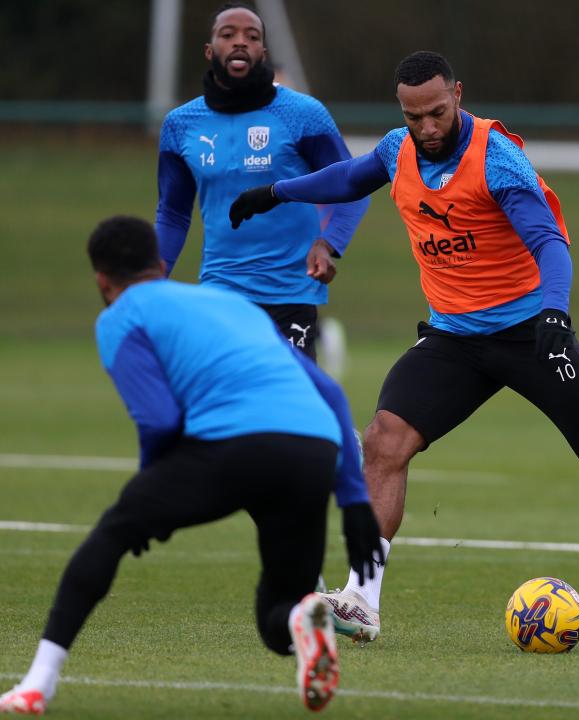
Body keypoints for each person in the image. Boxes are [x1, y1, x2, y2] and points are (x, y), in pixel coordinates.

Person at [229, 51, 579, 645]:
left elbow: (549, 241)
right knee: (384, 442)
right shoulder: (400, 148)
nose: (426, 128)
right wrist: (277, 191)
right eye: (413, 115)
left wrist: (555, 309)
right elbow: (350, 176)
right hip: (453, 338)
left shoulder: (496, 158)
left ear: (458, 95)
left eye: (437, 113)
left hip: (531, 333)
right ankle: (362, 600)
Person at [0, 216, 383, 716]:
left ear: (101, 280)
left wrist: (149, 497)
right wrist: (354, 500)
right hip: (311, 450)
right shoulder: (229, 304)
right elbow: (329, 391)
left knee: (113, 533)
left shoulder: (119, 317)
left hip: (234, 445)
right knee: (277, 616)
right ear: (160, 265)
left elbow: (159, 422)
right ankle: (302, 618)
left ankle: (37, 683)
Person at [155, 2, 368, 364]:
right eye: (228, 35)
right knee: (227, 410)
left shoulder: (302, 114)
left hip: (290, 293)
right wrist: (152, 274)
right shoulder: (181, 125)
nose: (240, 42)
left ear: (262, 52)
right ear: (210, 51)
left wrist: (328, 243)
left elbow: (352, 186)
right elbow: (173, 213)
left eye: (251, 36)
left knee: (291, 412)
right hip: (221, 292)